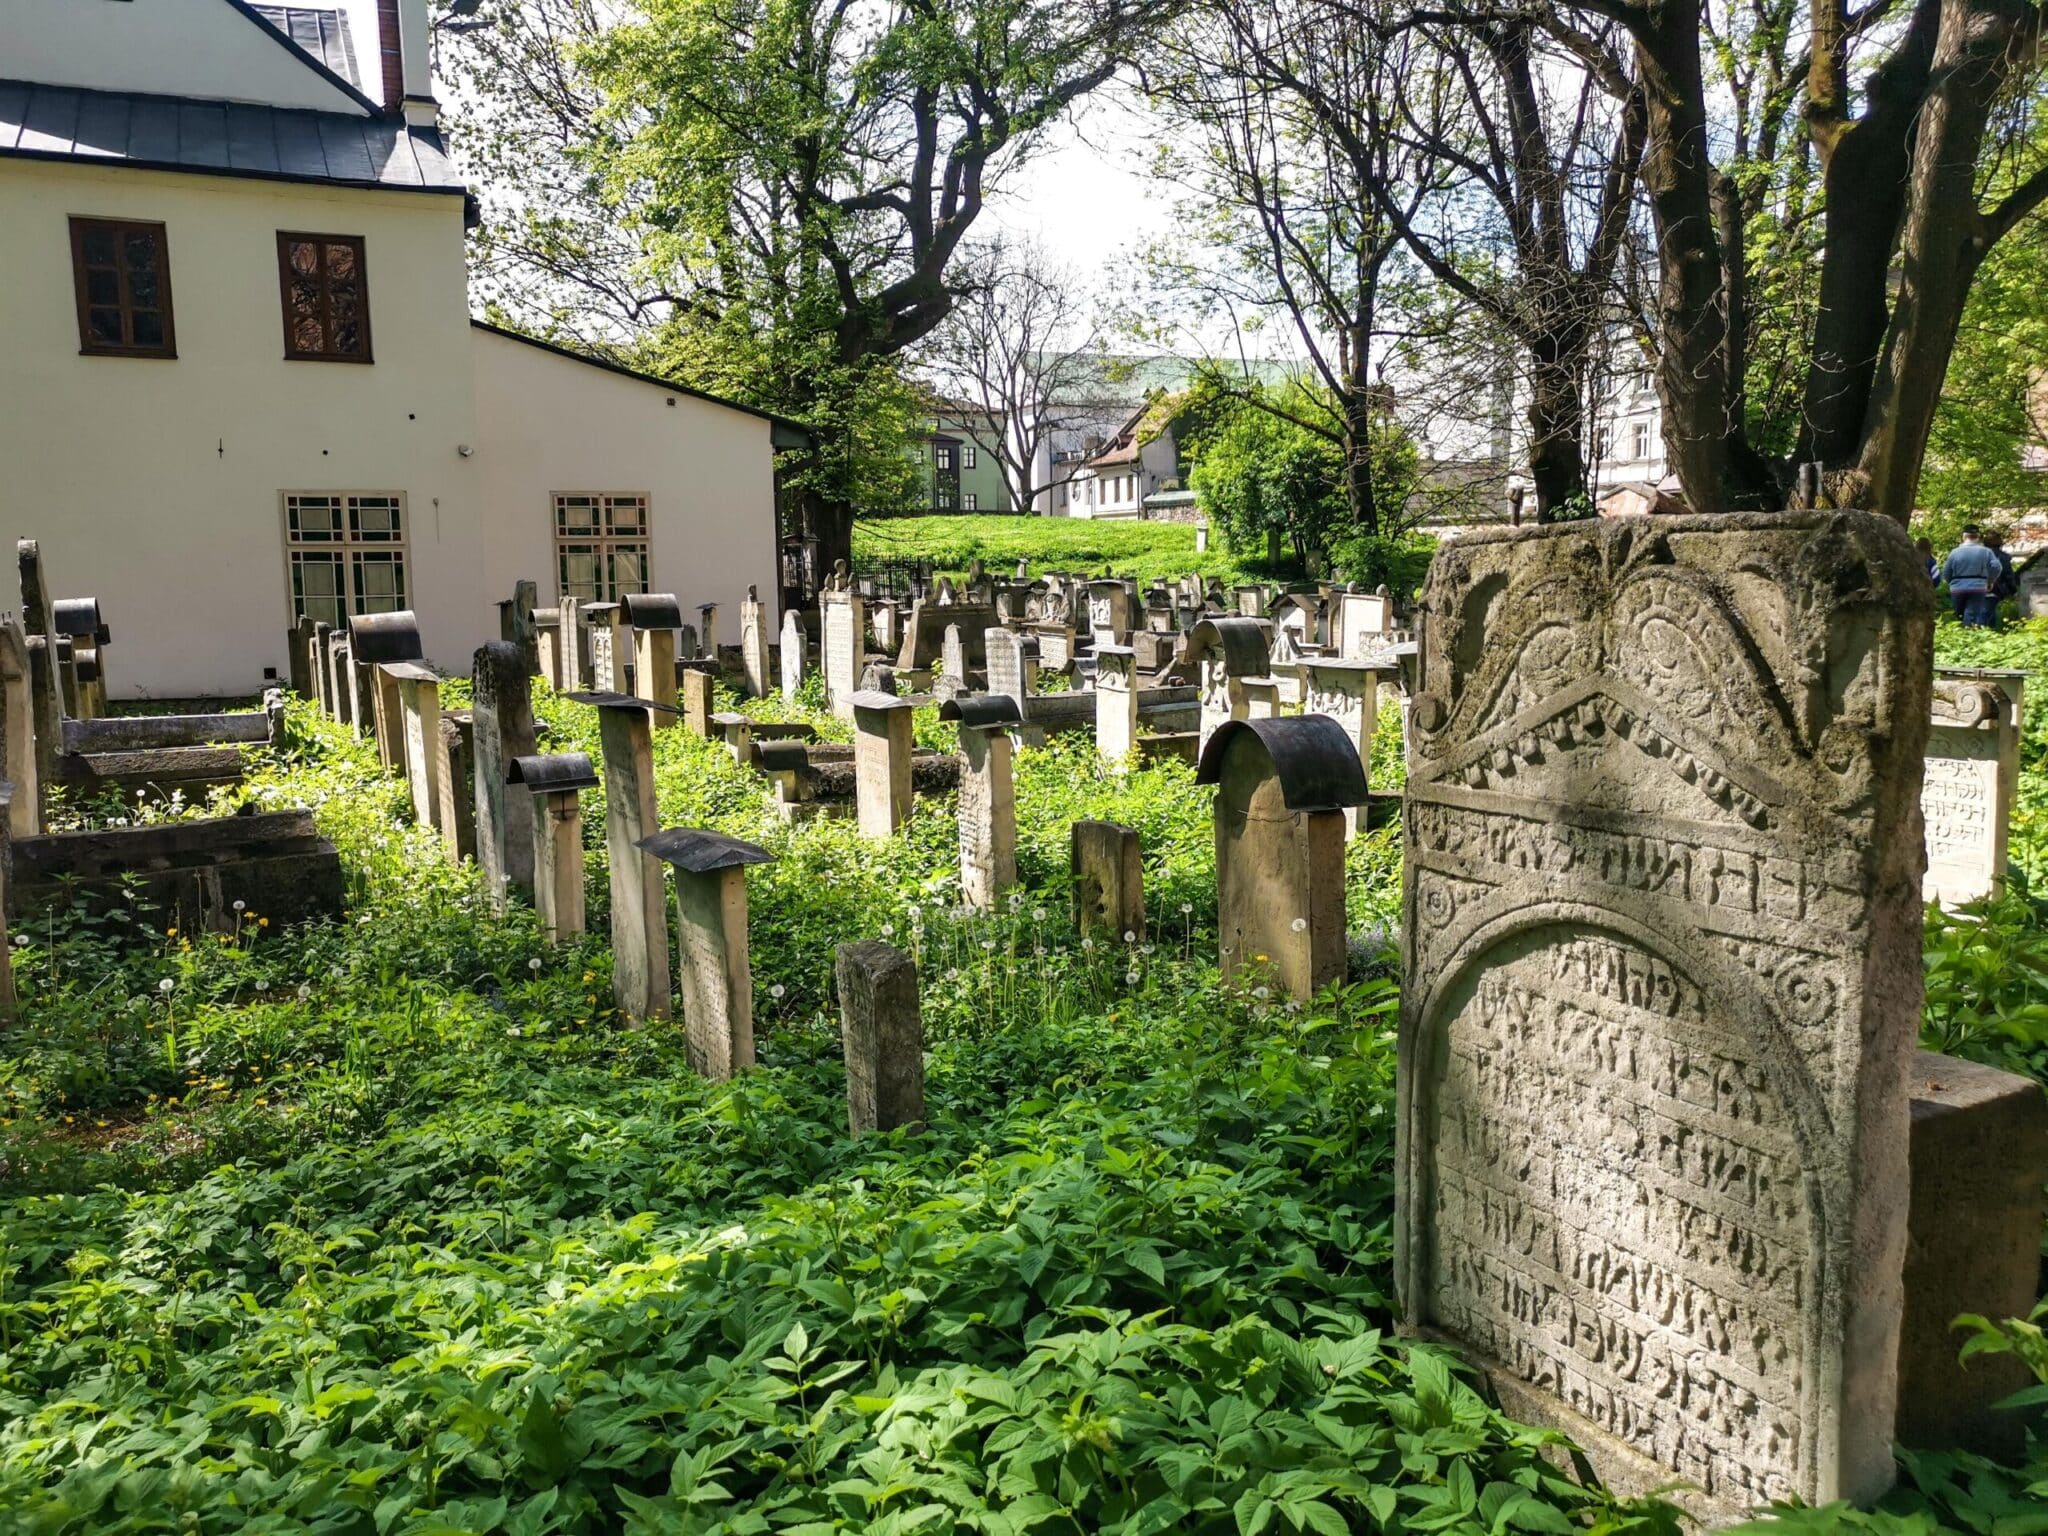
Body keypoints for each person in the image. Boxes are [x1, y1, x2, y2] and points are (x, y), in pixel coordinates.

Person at [1942, 527, 2004, 627]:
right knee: (1972, 615)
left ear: (1964, 536)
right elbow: (1997, 567)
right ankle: (1969, 632)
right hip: (1978, 587)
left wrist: (1952, 582)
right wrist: (1990, 581)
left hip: (1957, 588)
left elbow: (1946, 572)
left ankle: (1961, 632)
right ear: (1978, 537)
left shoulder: (1954, 552)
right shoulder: (1986, 551)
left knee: (1959, 616)